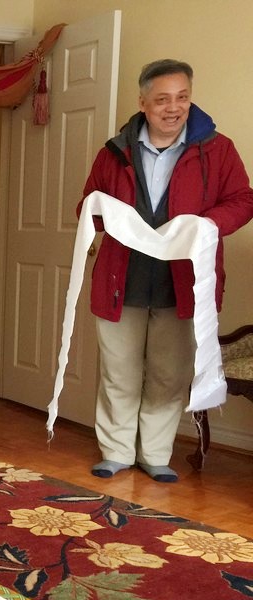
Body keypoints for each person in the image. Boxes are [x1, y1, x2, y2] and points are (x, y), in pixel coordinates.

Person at [78, 59, 253, 483]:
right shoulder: (114, 151)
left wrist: (207, 224)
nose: (173, 108)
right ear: (143, 103)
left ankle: (155, 454)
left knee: (169, 374)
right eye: (162, 100)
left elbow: (243, 200)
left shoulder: (218, 149)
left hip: (183, 282)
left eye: (182, 98)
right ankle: (116, 452)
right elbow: (88, 206)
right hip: (121, 279)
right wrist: (101, 214)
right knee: (118, 372)